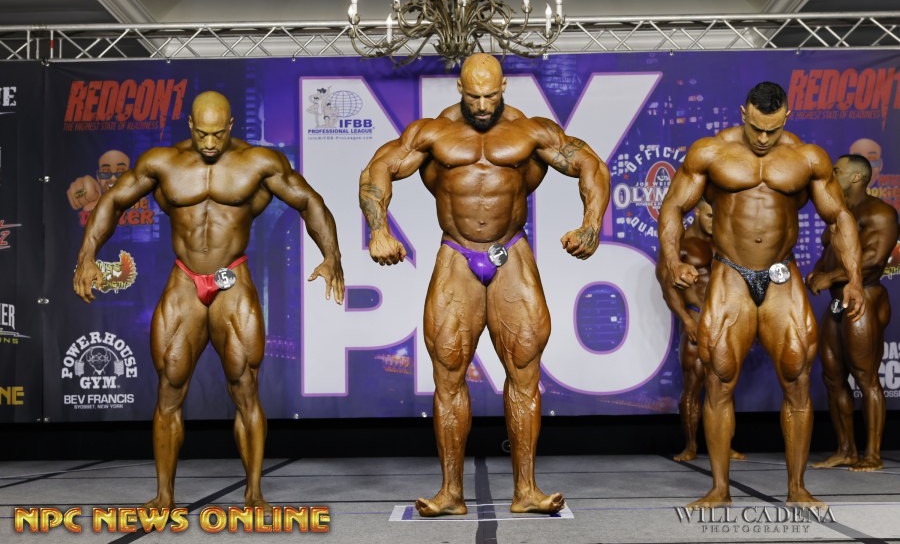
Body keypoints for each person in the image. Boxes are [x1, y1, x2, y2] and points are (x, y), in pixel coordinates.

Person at [359, 53, 610, 516]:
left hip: (511, 252)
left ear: (503, 88)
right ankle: (450, 493)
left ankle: (527, 491)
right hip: (456, 254)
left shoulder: (531, 131)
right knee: (448, 375)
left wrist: (591, 225)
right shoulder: (431, 133)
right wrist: (378, 229)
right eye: (473, 96)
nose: (480, 105)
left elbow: (591, 165)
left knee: (525, 373)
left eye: (489, 96)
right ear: (459, 88)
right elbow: (378, 169)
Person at [73, 91, 344, 510]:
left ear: (231, 125)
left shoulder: (259, 162)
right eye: (202, 134)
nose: (211, 143)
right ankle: (163, 497)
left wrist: (331, 256)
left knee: (245, 385)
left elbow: (309, 201)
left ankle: (254, 494)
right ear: (190, 125)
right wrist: (87, 256)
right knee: (169, 386)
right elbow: (113, 200)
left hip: (232, 279)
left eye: (218, 134)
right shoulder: (162, 163)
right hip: (184, 281)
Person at [658, 81, 864, 508]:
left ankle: (797, 488)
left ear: (786, 117)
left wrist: (855, 278)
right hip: (730, 273)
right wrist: (673, 260)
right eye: (755, 128)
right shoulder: (710, 152)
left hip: (780, 275)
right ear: (743, 113)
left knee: (797, 378)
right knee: (718, 379)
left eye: (772, 130)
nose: (764, 138)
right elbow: (674, 207)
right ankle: (719, 489)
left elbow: (840, 217)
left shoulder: (807, 159)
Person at [808, 154, 898, 472]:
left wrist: (829, 277)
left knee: (865, 377)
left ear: (857, 177)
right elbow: (830, 253)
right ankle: (846, 449)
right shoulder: (839, 214)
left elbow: (874, 259)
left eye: (837, 171)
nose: (831, 175)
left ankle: (872, 454)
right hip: (837, 302)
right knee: (832, 377)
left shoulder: (880, 212)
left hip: (864, 298)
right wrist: (817, 272)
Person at [656, 199, 744, 462]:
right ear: (696, 212)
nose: (713, 222)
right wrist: (686, 320)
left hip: (725, 321)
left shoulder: (724, 242)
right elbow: (667, 286)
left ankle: (726, 446)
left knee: (725, 387)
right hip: (696, 317)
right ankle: (691, 446)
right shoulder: (679, 244)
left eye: (717, 217)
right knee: (693, 385)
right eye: (709, 216)